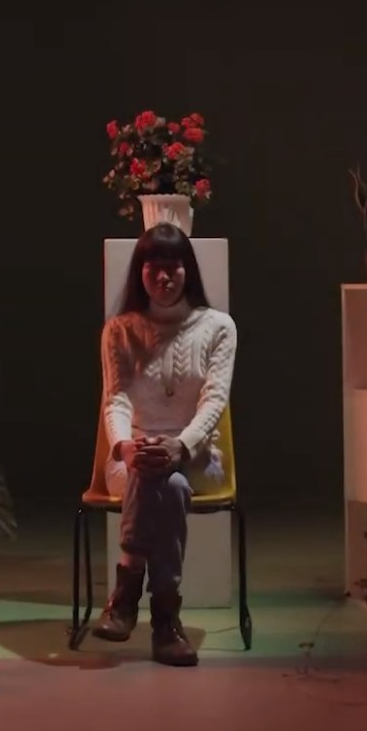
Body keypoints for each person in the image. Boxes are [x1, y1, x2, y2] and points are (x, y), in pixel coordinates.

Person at [93, 221, 237, 667]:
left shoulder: (219, 327)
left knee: (172, 477)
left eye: (173, 267)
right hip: (131, 461)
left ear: (187, 271)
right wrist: (125, 447)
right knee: (166, 486)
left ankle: (126, 590)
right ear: (140, 273)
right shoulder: (119, 330)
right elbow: (115, 400)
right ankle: (165, 619)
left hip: (198, 456)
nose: (164, 277)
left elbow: (215, 401)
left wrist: (180, 446)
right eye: (153, 267)